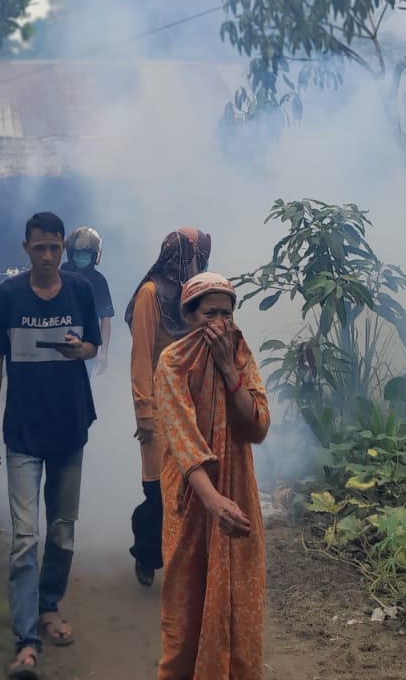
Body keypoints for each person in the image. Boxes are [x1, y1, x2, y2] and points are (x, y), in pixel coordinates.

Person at [0, 211, 101, 678]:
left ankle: (49, 605)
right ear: (26, 248)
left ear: (63, 247)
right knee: (25, 538)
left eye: (54, 247)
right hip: (23, 433)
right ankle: (26, 640)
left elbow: (92, 346)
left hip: (69, 428)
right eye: (39, 248)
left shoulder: (80, 290)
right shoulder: (9, 295)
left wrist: (79, 350)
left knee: (63, 530)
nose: (48, 256)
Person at [153, 271, 270, 680]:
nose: (220, 323)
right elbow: (183, 441)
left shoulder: (239, 355)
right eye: (210, 314)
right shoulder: (172, 363)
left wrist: (228, 370)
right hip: (192, 500)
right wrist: (213, 501)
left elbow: (257, 425)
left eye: (226, 314)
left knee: (239, 606)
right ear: (189, 317)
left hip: (237, 492)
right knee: (185, 614)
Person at [125, 228, 212, 586]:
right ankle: (146, 554)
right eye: (196, 257)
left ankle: (185, 566)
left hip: (192, 406)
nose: (200, 264)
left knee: (192, 488)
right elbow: (141, 356)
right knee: (159, 491)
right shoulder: (151, 294)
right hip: (159, 407)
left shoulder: (196, 296)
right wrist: (143, 411)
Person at [60, 226, 114, 374]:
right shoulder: (63, 272)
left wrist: (104, 352)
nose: (80, 258)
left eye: (86, 255)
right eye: (77, 254)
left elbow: (105, 319)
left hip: (87, 344)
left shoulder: (99, 281)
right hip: (60, 338)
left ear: (95, 255)